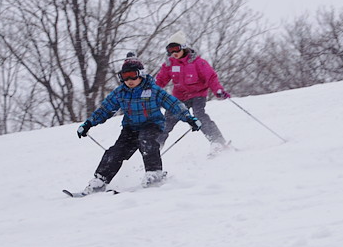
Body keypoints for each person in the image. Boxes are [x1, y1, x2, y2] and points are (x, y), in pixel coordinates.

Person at [76, 54, 201, 194]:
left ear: (140, 74)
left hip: (152, 124)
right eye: (125, 76)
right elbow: (105, 109)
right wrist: (88, 124)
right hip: (130, 128)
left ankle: (154, 173)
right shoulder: (120, 93)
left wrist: (189, 118)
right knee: (115, 151)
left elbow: (173, 104)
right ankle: (100, 180)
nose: (129, 80)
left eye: (132, 75)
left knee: (146, 140)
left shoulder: (153, 90)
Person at [155, 31, 231, 154]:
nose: (174, 53)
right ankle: (156, 146)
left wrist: (218, 90)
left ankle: (217, 142)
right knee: (168, 119)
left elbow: (211, 77)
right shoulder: (169, 64)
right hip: (180, 96)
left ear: (184, 47)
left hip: (197, 95)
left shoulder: (197, 62)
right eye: (170, 50)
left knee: (199, 115)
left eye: (176, 49)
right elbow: (161, 80)